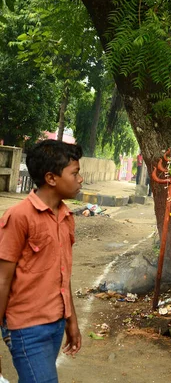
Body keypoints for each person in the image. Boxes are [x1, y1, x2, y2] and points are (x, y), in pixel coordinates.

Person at [0, 139, 83, 382]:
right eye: (75, 173)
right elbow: (3, 280)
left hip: (55, 324)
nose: (80, 179)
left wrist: (71, 322)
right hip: (26, 327)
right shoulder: (19, 217)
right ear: (51, 178)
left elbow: (63, 275)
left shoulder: (66, 216)